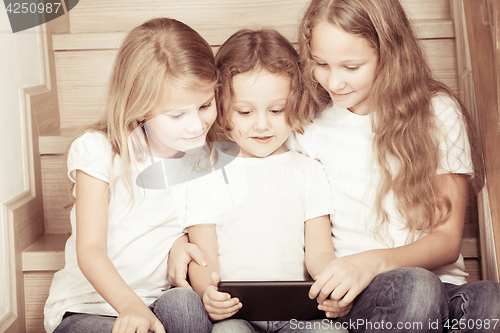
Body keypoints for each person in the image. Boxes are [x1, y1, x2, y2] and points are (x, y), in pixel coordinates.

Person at [287, 0, 500, 331]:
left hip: (441, 289)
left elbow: (447, 240)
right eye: (321, 64)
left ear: (388, 54)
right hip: (367, 298)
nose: (334, 82)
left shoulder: (438, 112)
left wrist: (374, 262)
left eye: (351, 67)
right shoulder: (311, 127)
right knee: (417, 289)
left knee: (491, 299)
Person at [43, 18, 216, 333]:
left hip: (160, 300)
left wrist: (181, 244)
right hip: (89, 308)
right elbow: (90, 248)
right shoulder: (98, 149)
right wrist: (130, 306)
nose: (196, 125)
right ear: (140, 108)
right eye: (177, 115)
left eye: (205, 105)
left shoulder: (198, 159)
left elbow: (195, 239)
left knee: (188, 307)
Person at [184, 29, 348, 333]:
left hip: (299, 317)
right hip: (236, 318)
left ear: (295, 105)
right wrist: (208, 292)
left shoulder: (308, 171)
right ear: (222, 111)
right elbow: (202, 257)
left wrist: (333, 287)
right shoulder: (205, 174)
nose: (262, 124)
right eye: (245, 112)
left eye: (276, 110)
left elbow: (320, 252)